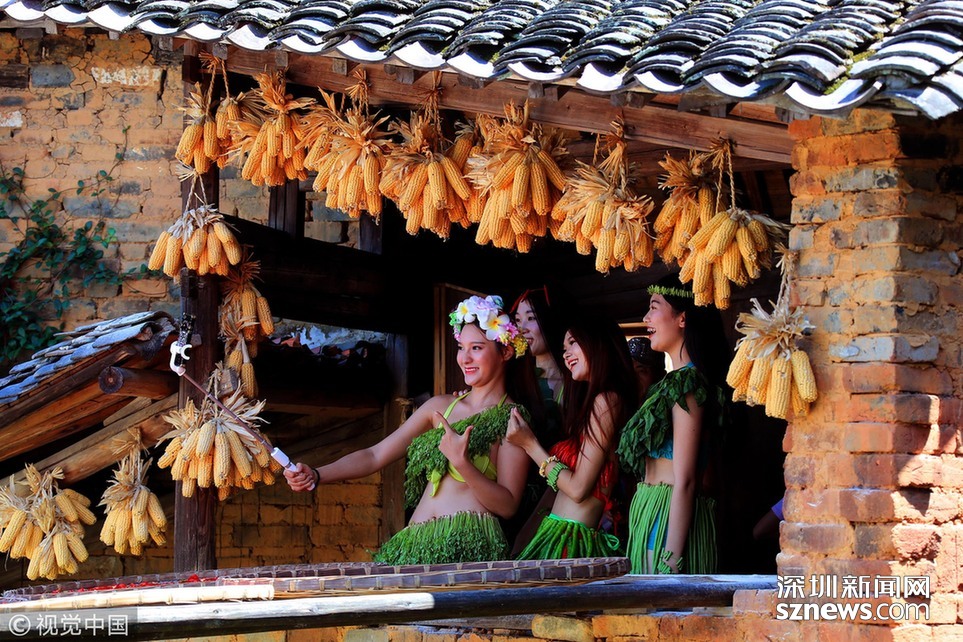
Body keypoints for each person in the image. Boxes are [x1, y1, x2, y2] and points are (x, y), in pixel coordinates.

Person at [285, 294, 536, 565]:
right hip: (415, 543)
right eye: (461, 347)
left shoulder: (511, 419)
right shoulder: (440, 406)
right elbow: (374, 455)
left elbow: (508, 505)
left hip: (468, 548)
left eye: (476, 348)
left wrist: (462, 463)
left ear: (505, 352)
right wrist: (317, 474)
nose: (465, 358)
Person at [617, 274, 729, 574]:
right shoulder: (670, 383)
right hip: (650, 511)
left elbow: (687, 479)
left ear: (682, 318)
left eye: (654, 307)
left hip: (667, 519)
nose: (646, 317)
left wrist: (671, 561)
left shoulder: (688, 386)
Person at [505, 316, 638, 559]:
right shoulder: (595, 404)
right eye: (564, 348)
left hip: (571, 545)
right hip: (554, 537)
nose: (566, 354)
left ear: (598, 343)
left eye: (573, 343)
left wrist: (530, 445)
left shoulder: (608, 401)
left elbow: (578, 489)